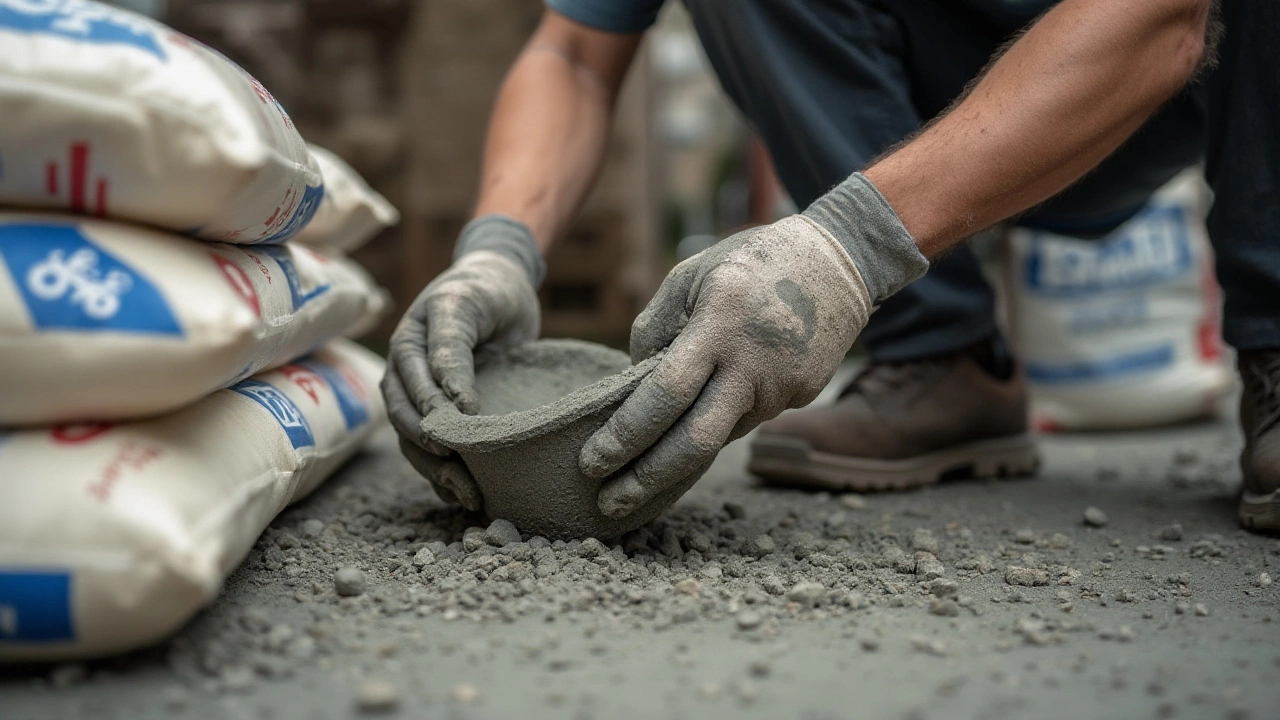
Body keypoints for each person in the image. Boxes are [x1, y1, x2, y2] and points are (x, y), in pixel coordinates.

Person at [383, 0, 1280, 533]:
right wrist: (496, 253)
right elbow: (573, 54)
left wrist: (848, 245)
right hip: (920, 104)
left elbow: (1166, 20)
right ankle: (940, 356)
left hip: (1160, 66)